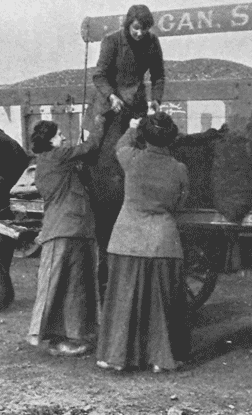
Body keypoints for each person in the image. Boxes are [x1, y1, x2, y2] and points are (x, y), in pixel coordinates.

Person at [96, 112, 190, 373]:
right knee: (162, 304)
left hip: (127, 239)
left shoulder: (132, 159)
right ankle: (161, 358)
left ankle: (117, 357)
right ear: (172, 137)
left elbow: (120, 145)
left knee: (124, 300)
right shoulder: (179, 169)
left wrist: (133, 127)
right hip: (163, 241)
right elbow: (180, 204)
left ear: (145, 136)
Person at [88, 3, 166, 302]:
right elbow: (99, 75)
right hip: (109, 106)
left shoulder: (152, 42)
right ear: (127, 25)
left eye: (144, 29)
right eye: (136, 28)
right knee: (99, 150)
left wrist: (156, 99)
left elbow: (158, 75)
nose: (140, 33)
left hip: (137, 103)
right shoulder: (111, 41)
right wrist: (110, 96)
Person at [26, 115, 105, 357]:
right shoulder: (56, 156)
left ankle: (69, 336)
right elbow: (90, 147)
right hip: (64, 229)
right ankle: (43, 334)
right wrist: (99, 122)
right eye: (59, 134)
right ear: (50, 140)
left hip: (70, 229)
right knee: (58, 283)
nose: (63, 137)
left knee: (71, 284)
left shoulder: (51, 161)